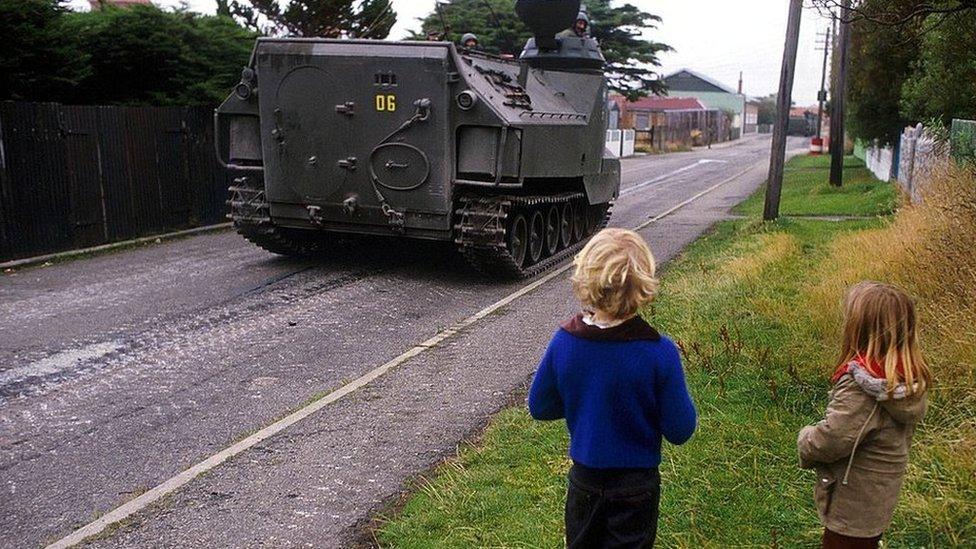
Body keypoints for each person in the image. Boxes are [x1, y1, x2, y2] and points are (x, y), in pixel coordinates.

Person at [528, 228, 697, 548]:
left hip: (585, 481)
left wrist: (584, 398)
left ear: (586, 277)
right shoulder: (659, 351)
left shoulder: (565, 341)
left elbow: (540, 406)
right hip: (636, 486)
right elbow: (680, 429)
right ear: (643, 284)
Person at [797, 281, 931, 549]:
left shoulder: (863, 388)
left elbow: (833, 438)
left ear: (858, 331)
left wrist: (806, 438)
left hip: (852, 504)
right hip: (878, 498)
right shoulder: (904, 381)